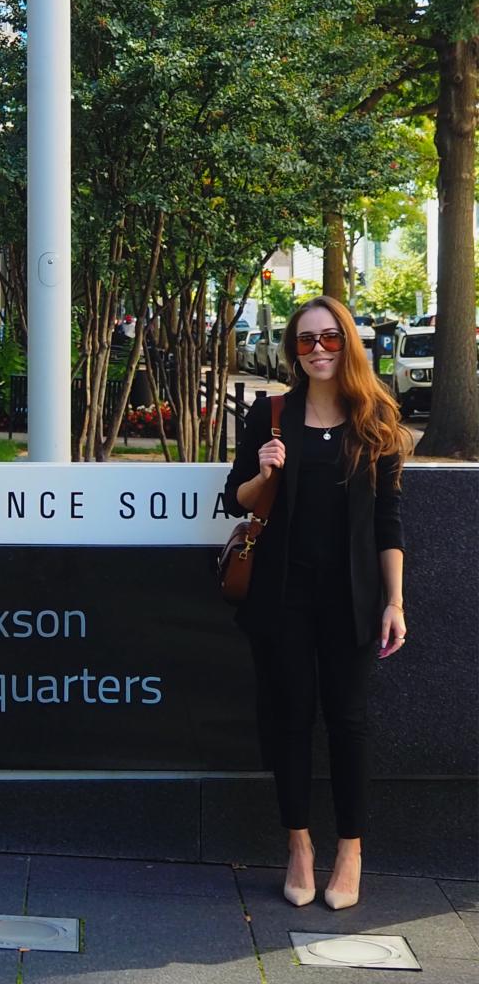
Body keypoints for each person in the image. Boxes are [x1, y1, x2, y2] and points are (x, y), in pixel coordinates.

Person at [222, 296, 411, 911]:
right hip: (282, 596)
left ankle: (350, 851)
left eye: (330, 338)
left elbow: (389, 522)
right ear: (292, 351)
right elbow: (238, 500)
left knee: (349, 722)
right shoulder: (272, 412)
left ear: (349, 342)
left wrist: (395, 602)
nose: (319, 350)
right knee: (290, 719)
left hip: (352, 600)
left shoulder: (375, 416)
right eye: (305, 341)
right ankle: (299, 846)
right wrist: (266, 471)